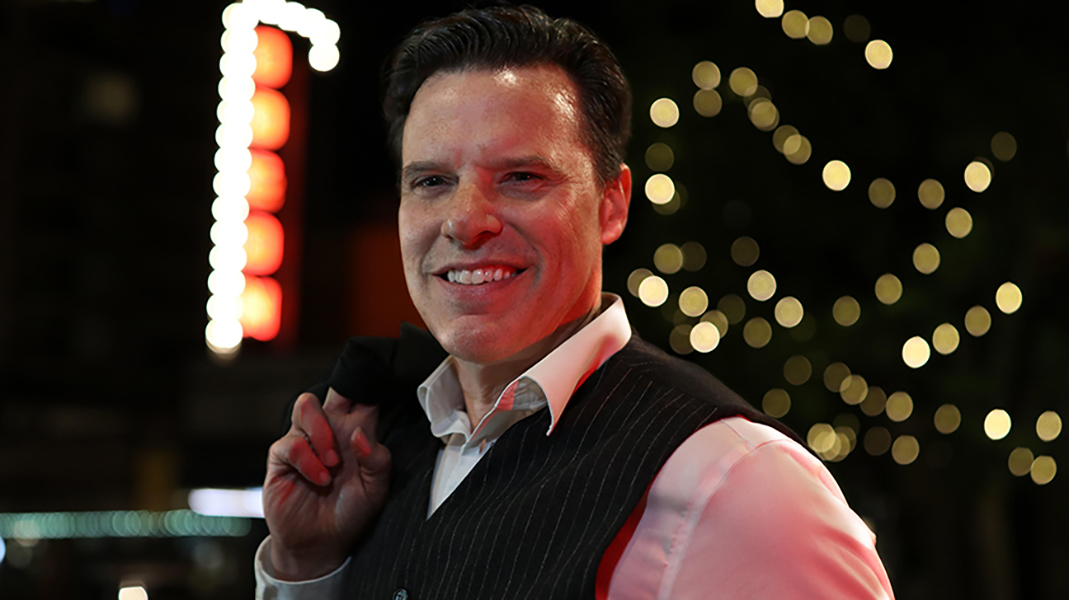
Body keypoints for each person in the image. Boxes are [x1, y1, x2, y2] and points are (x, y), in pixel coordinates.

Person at [255, 5, 896, 599]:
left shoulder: (738, 482)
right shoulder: (380, 454)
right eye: (431, 181)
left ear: (611, 204)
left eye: (521, 177)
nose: (465, 221)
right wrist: (306, 567)